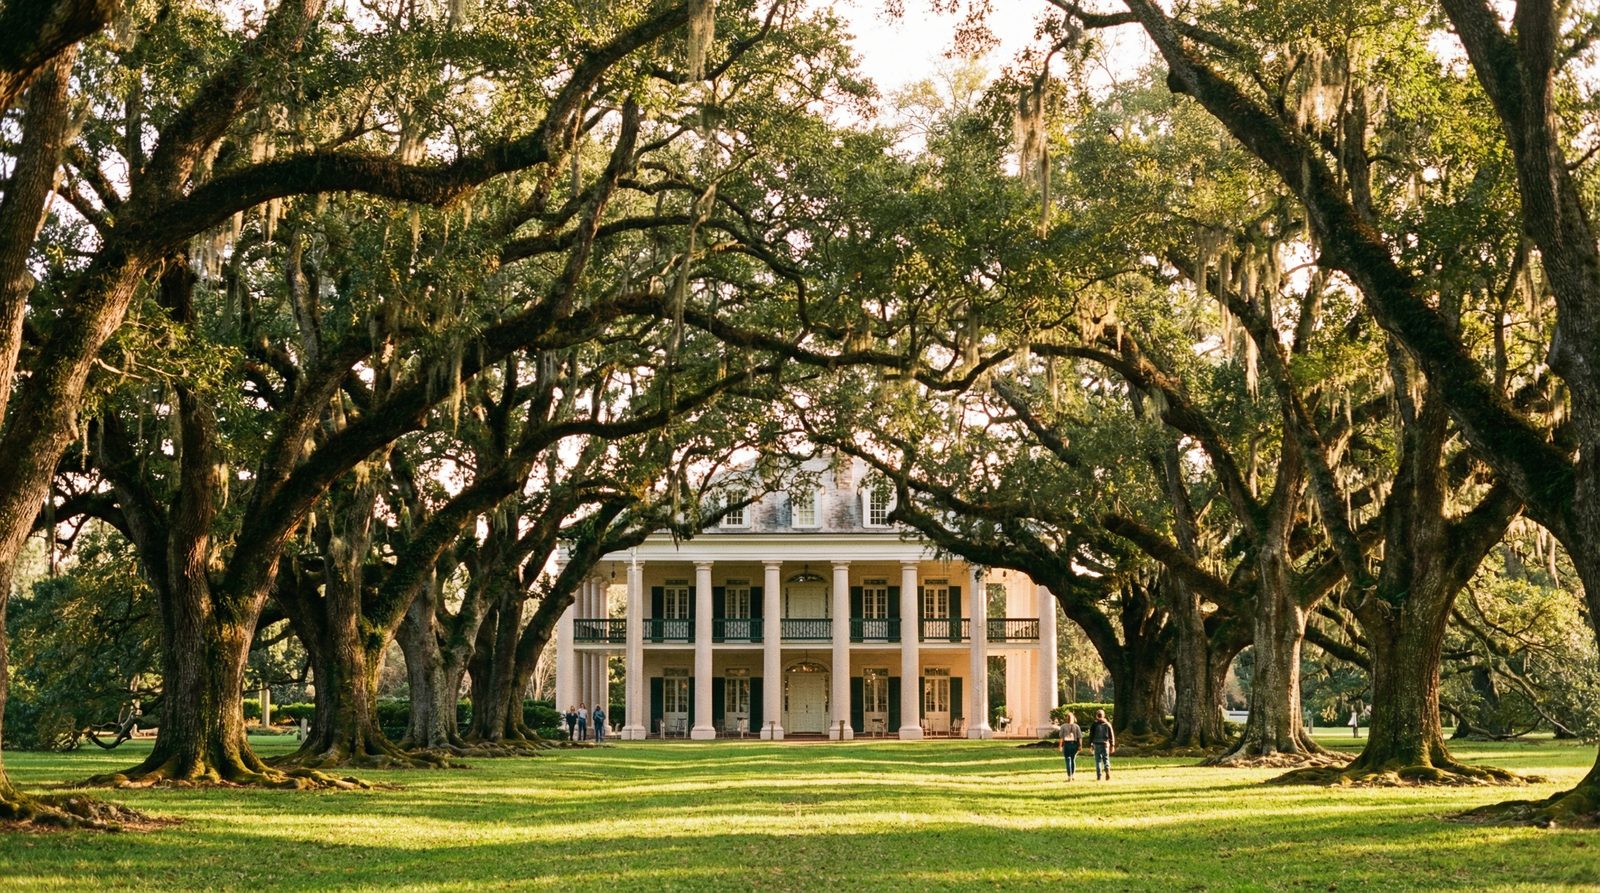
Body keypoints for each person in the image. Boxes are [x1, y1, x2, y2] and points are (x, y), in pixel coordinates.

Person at [1088, 709, 1115, 781]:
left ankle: (1099, 775)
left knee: (1098, 760)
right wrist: (1112, 745)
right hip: (1105, 744)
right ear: (1104, 716)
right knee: (1106, 759)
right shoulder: (1107, 724)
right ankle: (1107, 771)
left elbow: (1091, 735)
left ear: (1096, 716)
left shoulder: (1094, 724)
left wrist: (1090, 745)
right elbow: (1111, 735)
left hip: (1096, 743)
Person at [1057, 712, 1082, 781]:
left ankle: (1069, 776)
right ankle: (1073, 775)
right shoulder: (1077, 726)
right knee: (1073, 759)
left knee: (1067, 760)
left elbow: (1061, 737)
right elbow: (1080, 737)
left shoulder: (1063, 726)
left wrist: (1060, 746)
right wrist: (1080, 745)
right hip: (1074, 744)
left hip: (1067, 744)